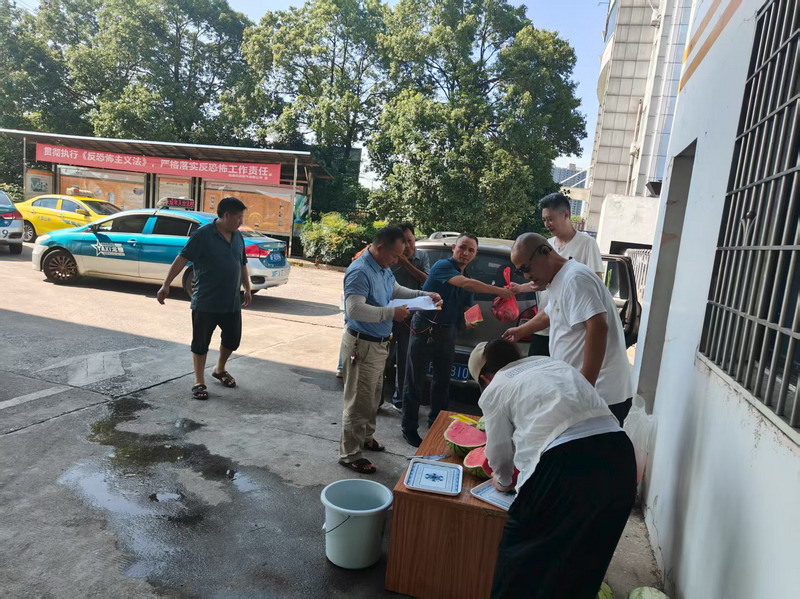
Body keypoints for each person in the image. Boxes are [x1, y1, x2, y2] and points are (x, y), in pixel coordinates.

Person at [468, 339, 636, 599]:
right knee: (585, 560)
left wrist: (502, 480)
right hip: (621, 456)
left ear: (484, 379)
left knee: (519, 558)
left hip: (564, 462)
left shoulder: (497, 386)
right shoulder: (552, 364)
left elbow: (499, 450)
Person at [339, 226, 442, 474]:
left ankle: (366, 437)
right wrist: (390, 313)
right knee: (359, 401)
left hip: (379, 343)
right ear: (380, 247)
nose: (397, 261)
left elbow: (395, 290)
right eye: (395, 256)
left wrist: (423, 295)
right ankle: (350, 454)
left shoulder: (383, 267)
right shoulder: (360, 271)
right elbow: (354, 309)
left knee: (373, 397)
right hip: (362, 344)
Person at [503, 233, 633, 425]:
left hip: (601, 395)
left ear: (545, 252)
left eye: (526, 268)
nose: (526, 276)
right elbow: (550, 314)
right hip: (583, 393)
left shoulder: (575, 279)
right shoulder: (559, 279)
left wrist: (585, 388)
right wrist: (521, 331)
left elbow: (597, 327)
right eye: (520, 272)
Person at [401, 233, 515, 447]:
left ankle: (436, 424)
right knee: (415, 380)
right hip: (425, 327)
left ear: (475, 255)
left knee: (442, 382)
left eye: (471, 250)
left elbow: (467, 304)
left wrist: (470, 318)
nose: (465, 253)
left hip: (448, 332)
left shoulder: (466, 273)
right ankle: (409, 428)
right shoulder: (443, 267)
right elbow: (466, 284)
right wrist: (499, 291)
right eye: (462, 247)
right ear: (454, 248)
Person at [157, 197, 251, 401]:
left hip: (231, 301)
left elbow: (242, 263)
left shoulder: (238, 236)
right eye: (238, 217)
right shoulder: (203, 235)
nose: (241, 221)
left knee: (232, 340)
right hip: (206, 301)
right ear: (226, 215)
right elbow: (181, 258)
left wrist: (247, 287)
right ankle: (199, 381)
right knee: (201, 342)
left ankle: (219, 369)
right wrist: (166, 284)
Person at [516, 192, 604, 357]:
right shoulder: (546, 245)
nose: (547, 224)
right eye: (544, 220)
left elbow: (597, 284)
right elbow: (543, 284)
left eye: (550, 219)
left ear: (566, 215)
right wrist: (520, 288)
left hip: (571, 328)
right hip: (544, 323)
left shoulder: (586, 244)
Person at [387, 223, 430, 410]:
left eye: (411, 241)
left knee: (405, 360)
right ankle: (377, 399)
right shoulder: (391, 258)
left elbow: (426, 280)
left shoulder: (422, 257)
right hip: (389, 314)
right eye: (404, 242)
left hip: (410, 318)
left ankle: (400, 399)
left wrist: (406, 263)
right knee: (384, 358)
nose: (408, 246)